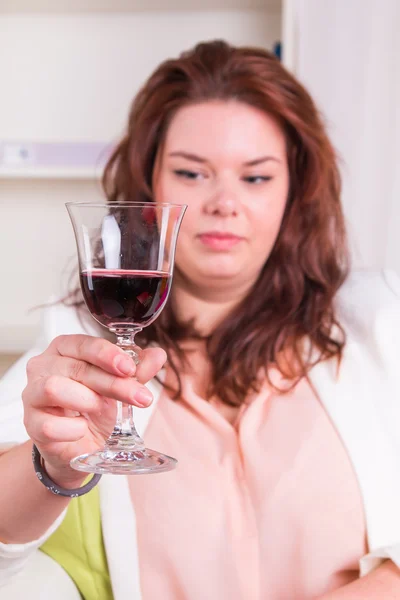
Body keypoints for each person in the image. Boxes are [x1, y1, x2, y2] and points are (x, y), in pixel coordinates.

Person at [1, 39, 400, 600]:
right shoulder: (79, 342)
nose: (223, 203)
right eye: (192, 174)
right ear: (150, 185)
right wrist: (54, 466)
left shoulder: (380, 323)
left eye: (256, 178)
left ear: (295, 191)